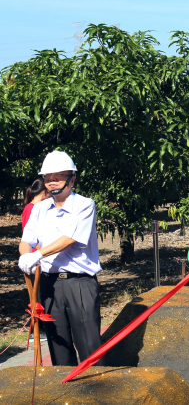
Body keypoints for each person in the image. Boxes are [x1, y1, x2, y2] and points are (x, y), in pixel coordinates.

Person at [18, 151, 103, 366]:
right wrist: (25, 256)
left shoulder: (84, 205)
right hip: (50, 284)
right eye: (48, 176)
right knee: (58, 348)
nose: (52, 180)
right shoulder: (38, 209)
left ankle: (96, 385)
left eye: (58, 176)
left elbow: (70, 239)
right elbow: (26, 239)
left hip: (79, 283)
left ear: (71, 179)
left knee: (89, 346)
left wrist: (38, 254)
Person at [21, 177, 50, 342]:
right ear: (44, 192)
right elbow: (31, 236)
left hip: (41, 256)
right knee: (37, 295)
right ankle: (37, 329)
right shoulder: (31, 209)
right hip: (35, 258)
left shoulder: (37, 208)